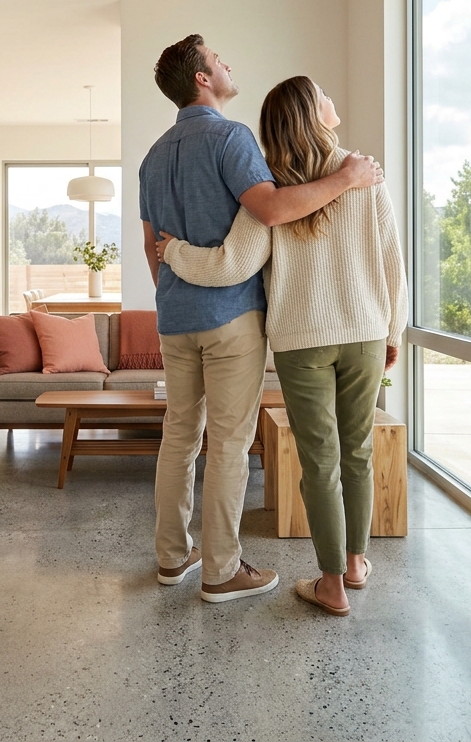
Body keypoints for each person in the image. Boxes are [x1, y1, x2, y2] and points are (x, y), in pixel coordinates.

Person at [139, 36, 383, 603]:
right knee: (228, 442)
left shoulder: (153, 155)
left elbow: (151, 244)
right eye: (217, 58)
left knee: (179, 434)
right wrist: (347, 177)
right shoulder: (231, 137)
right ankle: (221, 571)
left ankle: (172, 558)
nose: (227, 63)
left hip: (174, 315)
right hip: (230, 315)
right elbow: (271, 210)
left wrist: (174, 297)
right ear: (202, 78)